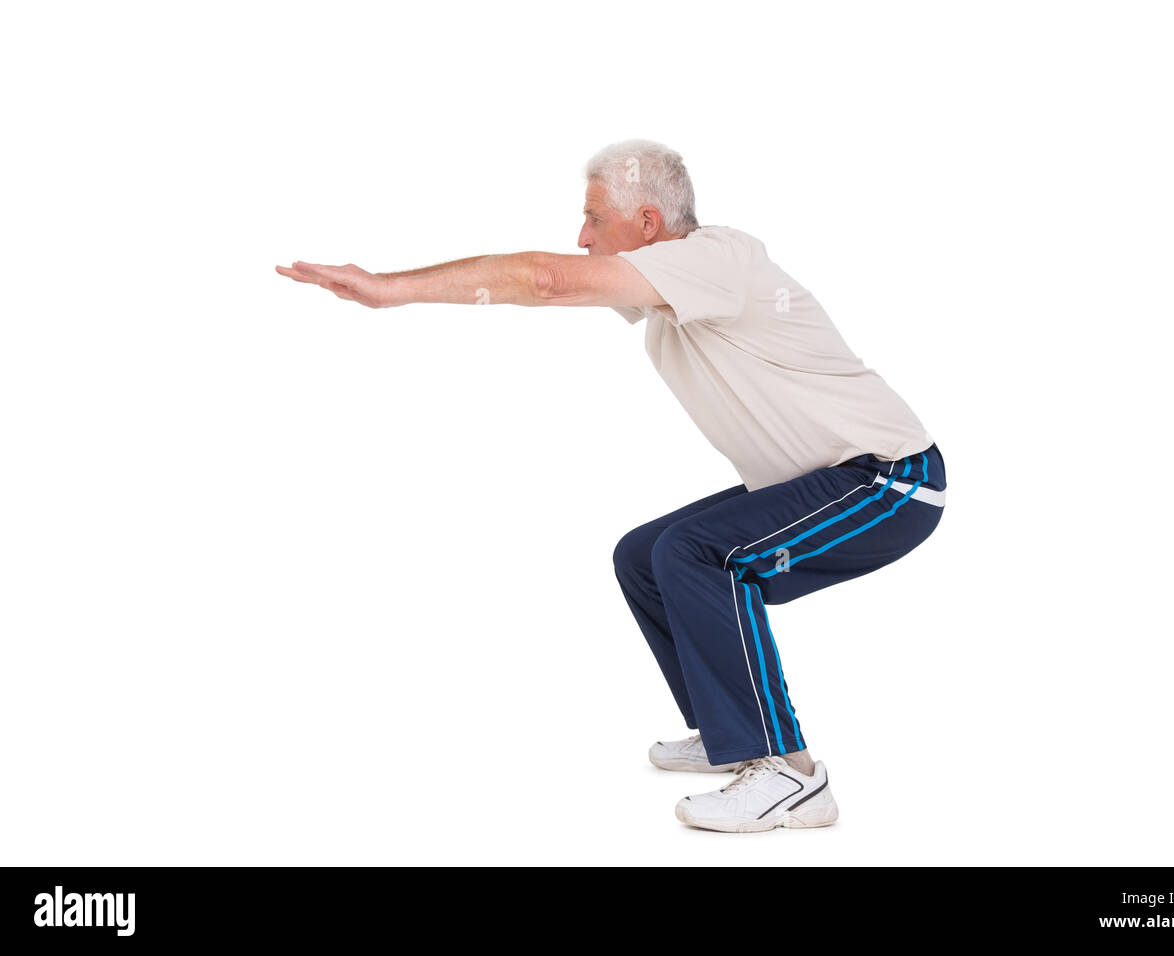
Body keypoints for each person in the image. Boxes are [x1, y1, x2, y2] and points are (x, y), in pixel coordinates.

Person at [275, 139, 948, 833]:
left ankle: (791, 773)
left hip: (891, 482)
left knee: (696, 552)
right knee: (644, 555)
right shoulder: (675, 288)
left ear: (649, 225)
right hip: (830, 482)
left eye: (594, 218)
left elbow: (545, 279)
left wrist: (391, 289)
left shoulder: (715, 261)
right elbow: (545, 284)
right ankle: (731, 732)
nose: (581, 237)